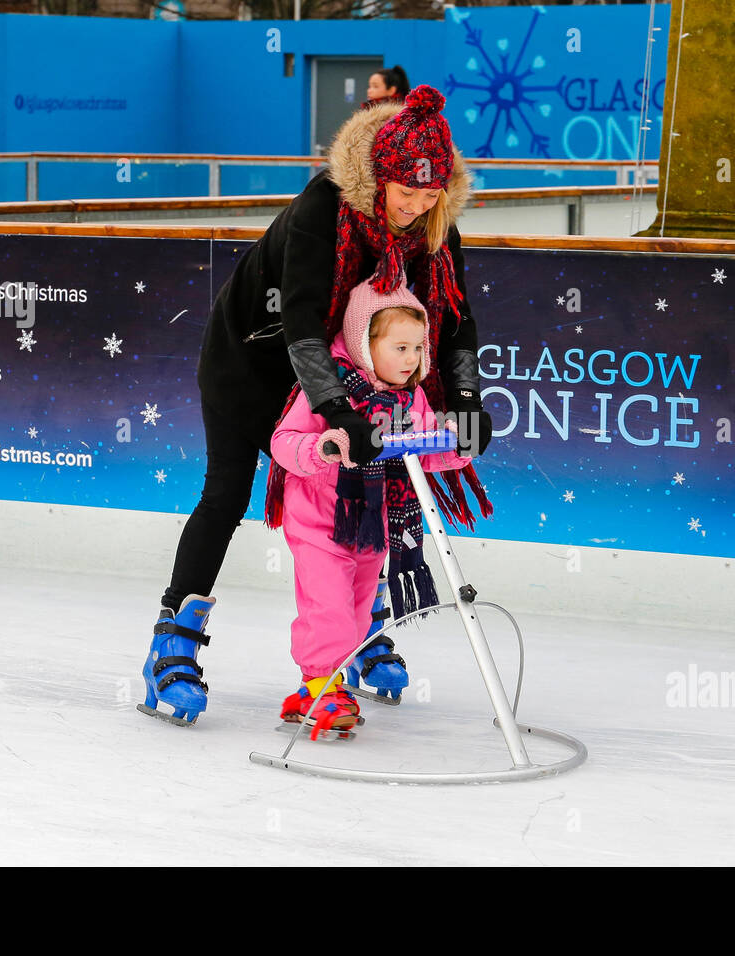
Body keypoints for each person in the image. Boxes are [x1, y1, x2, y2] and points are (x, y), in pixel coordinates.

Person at [137, 85, 493, 728]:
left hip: (345, 372)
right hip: (253, 360)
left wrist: (465, 398)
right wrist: (334, 409)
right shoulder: (322, 210)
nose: (414, 207)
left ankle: (355, 634)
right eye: (404, 193)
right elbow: (302, 319)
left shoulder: (433, 225)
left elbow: (457, 318)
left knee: (372, 491)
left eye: (428, 194)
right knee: (225, 495)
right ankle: (173, 644)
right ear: (377, 176)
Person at [266, 278, 471, 739]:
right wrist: (327, 446)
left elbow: (418, 449)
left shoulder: (410, 398)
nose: (412, 359)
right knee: (329, 610)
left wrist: (458, 447)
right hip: (319, 521)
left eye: (418, 349)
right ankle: (322, 682)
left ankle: (309, 693)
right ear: (364, 344)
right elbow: (283, 443)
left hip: (369, 526)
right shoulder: (329, 391)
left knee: (358, 614)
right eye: (400, 347)